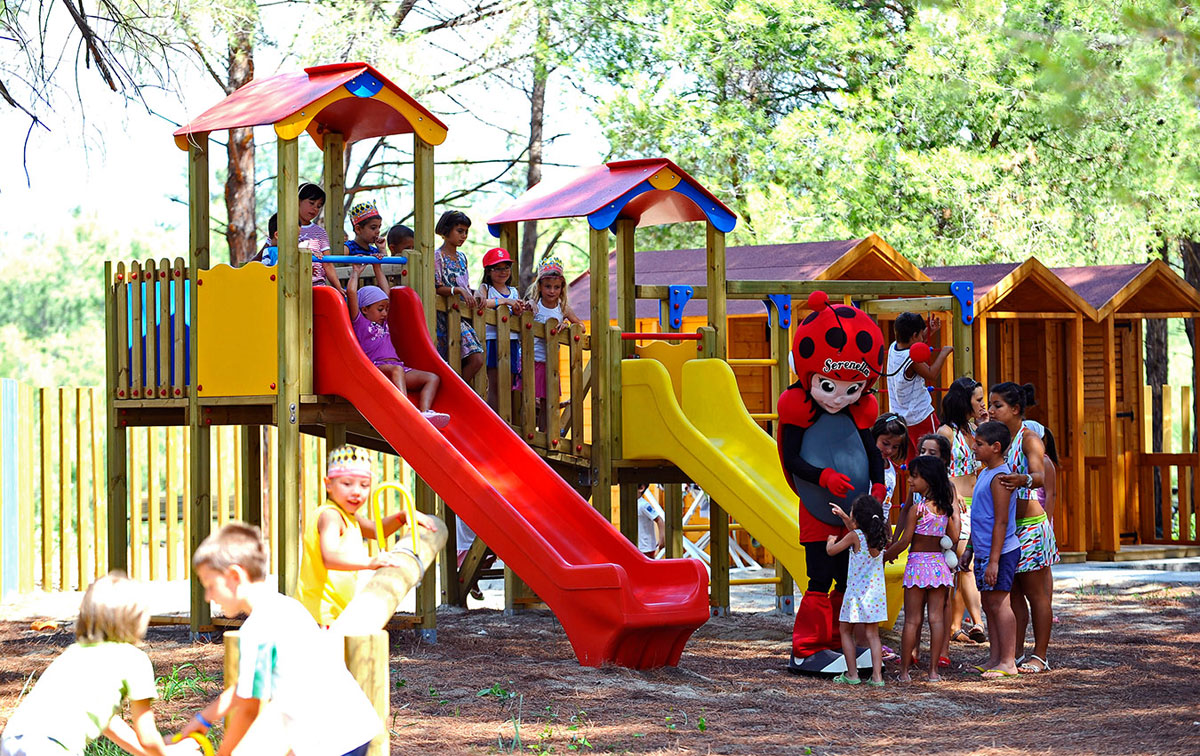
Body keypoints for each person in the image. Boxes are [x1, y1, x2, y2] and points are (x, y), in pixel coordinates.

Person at [183, 523, 384, 756]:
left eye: (210, 585)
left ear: (234, 576)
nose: (208, 596)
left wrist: (223, 754)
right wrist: (205, 718)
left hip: (328, 742)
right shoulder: (287, 606)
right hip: (353, 727)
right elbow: (246, 687)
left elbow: (249, 707)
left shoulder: (257, 628)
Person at [0, 571, 196, 756]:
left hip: (11, 741)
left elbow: (109, 723)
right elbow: (147, 736)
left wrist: (157, 749)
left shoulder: (74, 653)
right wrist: (171, 752)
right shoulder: (133, 659)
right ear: (137, 620)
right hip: (53, 748)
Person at [298, 445, 438, 625]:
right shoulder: (331, 516)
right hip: (319, 614)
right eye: (347, 484)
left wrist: (402, 517)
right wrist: (371, 562)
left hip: (332, 611)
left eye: (364, 485)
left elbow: (375, 530)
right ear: (328, 485)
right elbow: (330, 558)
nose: (356, 492)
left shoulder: (349, 516)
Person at [991, 382, 1057, 674]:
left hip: (1030, 528)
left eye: (997, 406)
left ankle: (1040, 656)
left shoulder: (1029, 439)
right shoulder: (1000, 440)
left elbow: (1039, 475)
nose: (990, 411)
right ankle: (1014, 652)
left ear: (1015, 409)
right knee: (1014, 593)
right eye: (990, 405)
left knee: (1036, 595)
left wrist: (1023, 480)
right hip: (1008, 528)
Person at [346, 264, 449, 428]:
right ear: (364, 309)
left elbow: (387, 292)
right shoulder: (360, 322)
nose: (385, 313)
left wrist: (377, 267)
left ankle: (425, 412)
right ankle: (405, 409)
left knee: (432, 378)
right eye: (380, 309)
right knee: (397, 370)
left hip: (396, 368)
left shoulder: (383, 321)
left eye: (386, 309)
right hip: (374, 368)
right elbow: (351, 293)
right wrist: (355, 272)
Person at [884, 455, 958, 682]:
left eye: (915, 477)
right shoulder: (945, 511)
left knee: (912, 621)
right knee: (936, 619)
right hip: (938, 567)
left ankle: (905, 672)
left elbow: (905, 541)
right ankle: (933, 671)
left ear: (929, 479)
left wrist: (885, 557)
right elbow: (954, 537)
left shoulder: (918, 509)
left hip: (917, 566)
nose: (910, 481)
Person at [937, 377, 988, 645]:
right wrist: (952, 495)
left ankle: (955, 626)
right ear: (963, 401)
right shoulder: (947, 432)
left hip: (976, 503)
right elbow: (936, 469)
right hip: (956, 505)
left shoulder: (973, 429)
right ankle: (978, 622)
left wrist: (985, 425)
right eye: (978, 399)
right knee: (965, 565)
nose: (982, 404)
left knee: (963, 566)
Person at [969, 420, 1021, 678]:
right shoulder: (984, 473)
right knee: (989, 603)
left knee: (1000, 603)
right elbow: (979, 516)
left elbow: (1001, 521)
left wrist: (994, 561)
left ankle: (1009, 661)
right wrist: (970, 547)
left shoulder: (1001, 477)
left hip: (999, 552)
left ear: (996, 447)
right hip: (983, 551)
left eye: (979, 444)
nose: (974, 448)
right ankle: (996, 657)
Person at [825, 495, 889, 687]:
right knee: (873, 635)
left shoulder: (855, 536)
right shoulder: (879, 536)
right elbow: (857, 530)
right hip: (875, 595)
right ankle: (877, 677)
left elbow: (832, 551)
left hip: (856, 595)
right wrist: (845, 516)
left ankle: (852, 674)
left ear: (857, 517)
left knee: (845, 630)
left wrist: (830, 541)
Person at [886, 312, 953, 461]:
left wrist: (929, 331)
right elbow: (931, 374)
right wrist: (943, 353)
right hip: (920, 416)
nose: (923, 337)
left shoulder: (893, 347)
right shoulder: (911, 358)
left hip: (902, 418)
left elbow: (916, 346)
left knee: (915, 461)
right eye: (921, 335)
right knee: (936, 454)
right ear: (915, 335)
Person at [527, 256, 582, 429]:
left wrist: (566, 324)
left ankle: (544, 433)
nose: (552, 291)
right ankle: (529, 431)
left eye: (556, 287)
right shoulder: (535, 305)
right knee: (529, 399)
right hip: (531, 358)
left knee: (548, 402)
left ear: (562, 288)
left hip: (550, 363)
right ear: (540, 287)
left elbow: (581, 326)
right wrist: (528, 305)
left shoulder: (562, 308)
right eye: (548, 287)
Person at [433, 210, 485, 383]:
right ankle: (459, 388)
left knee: (474, 357)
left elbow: (465, 284)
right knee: (471, 357)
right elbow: (437, 287)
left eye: (466, 232)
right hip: (445, 314)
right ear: (446, 230)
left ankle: (458, 387)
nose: (463, 236)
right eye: (459, 231)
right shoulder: (437, 256)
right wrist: (457, 291)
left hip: (464, 314)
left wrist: (474, 292)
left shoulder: (462, 257)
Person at [477, 247, 527, 408]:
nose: (503, 272)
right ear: (489, 271)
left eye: (506, 267)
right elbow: (481, 302)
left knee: (508, 385)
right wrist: (504, 302)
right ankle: (494, 418)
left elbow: (518, 313)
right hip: (493, 340)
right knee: (495, 385)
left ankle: (506, 420)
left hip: (512, 341)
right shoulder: (486, 288)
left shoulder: (513, 291)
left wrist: (519, 309)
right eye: (497, 268)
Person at [298, 183, 343, 295]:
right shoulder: (284, 228)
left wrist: (338, 288)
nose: (315, 209)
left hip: (317, 285)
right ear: (298, 201)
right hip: (293, 285)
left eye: (319, 206)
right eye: (311, 203)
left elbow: (327, 264)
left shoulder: (319, 232)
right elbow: (267, 251)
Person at [870, 412, 909, 528]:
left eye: (895, 447)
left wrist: (888, 534)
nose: (889, 450)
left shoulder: (891, 468)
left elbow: (887, 504)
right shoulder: (865, 464)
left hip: (879, 528)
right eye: (885, 443)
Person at [342, 200, 389, 288]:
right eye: (373, 228)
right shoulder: (348, 248)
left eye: (379, 227)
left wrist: (382, 249)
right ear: (358, 229)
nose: (378, 231)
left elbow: (386, 269)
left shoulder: (374, 251)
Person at [636, 483, 665, 558]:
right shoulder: (631, 504)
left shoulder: (643, 505)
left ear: (641, 488)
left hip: (646, 547)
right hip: (638, 545)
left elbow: (659, 520)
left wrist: (662, 538)